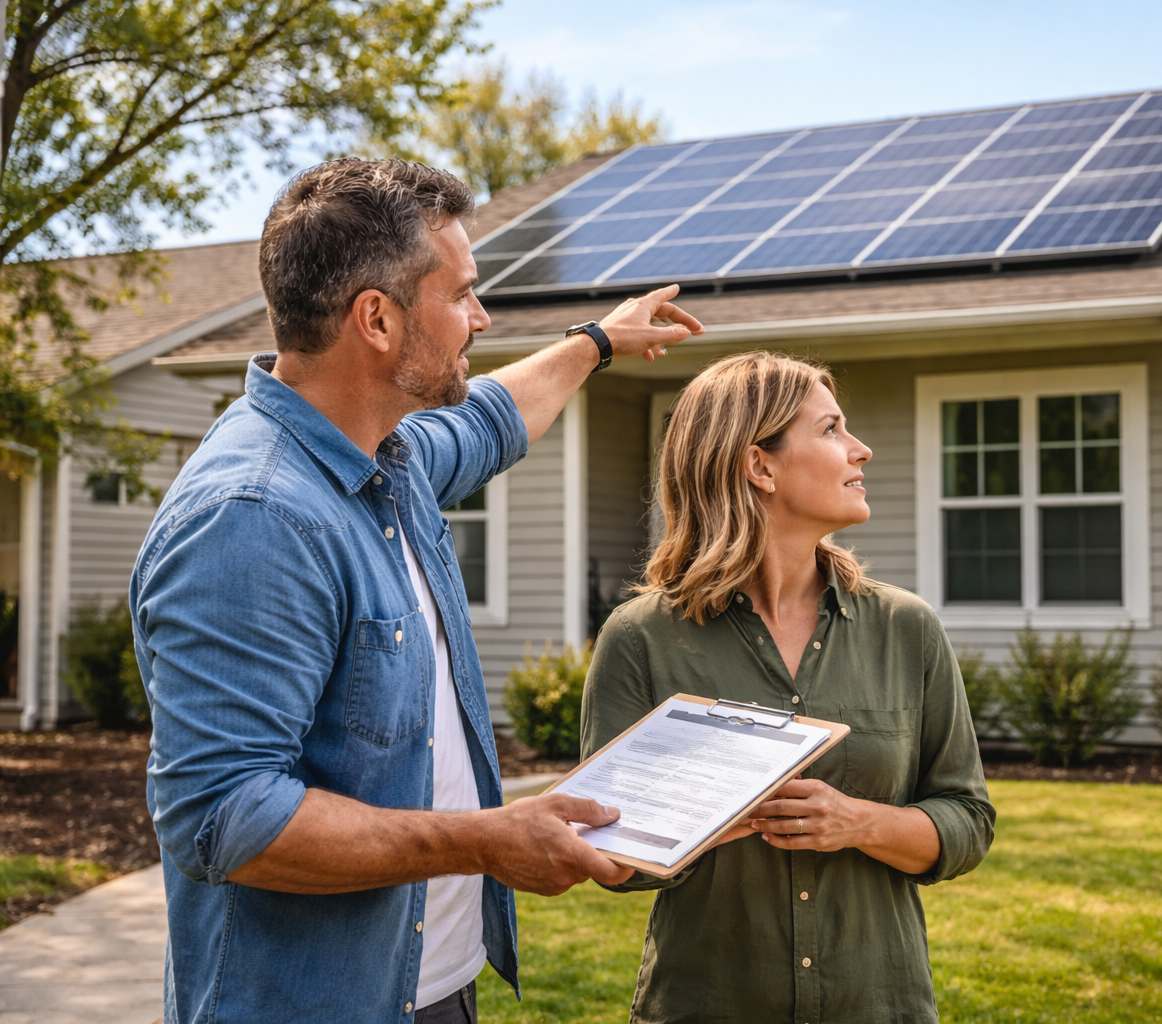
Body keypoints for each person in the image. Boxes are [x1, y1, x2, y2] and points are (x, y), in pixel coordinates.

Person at [129, 158, 703, 1024]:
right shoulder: (254, 516)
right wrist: (485, 841)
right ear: (378, 318)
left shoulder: (385, 460)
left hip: (428, 985)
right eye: (463, 294)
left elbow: (492, 419)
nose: (482, 317)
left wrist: (599, 341)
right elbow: (224, 816)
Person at [581, 352, 996, 1024]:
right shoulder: (640, 639)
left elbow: (968, 821)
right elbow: (612, 859)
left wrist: (858, 822)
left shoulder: (905, 628)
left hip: (879, 1006)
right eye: (831, 430)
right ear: (760, 466)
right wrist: (714, 818)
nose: (860, 450)